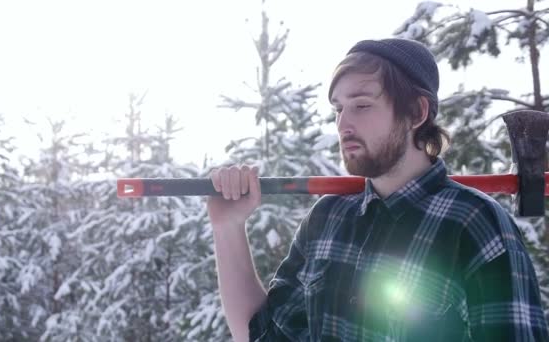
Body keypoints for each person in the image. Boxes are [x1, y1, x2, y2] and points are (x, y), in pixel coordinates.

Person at [207, 38, 549, 341]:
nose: (343, 124)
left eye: (362, 105)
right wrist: (228, 227)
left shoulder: (476, 224)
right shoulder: (327, 218)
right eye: (338, 109)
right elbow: (262, 335)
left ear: (416, 112)